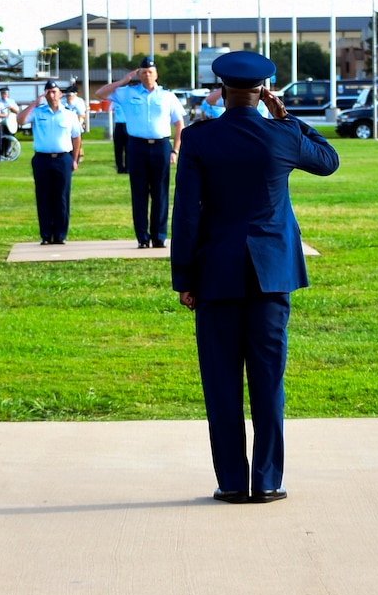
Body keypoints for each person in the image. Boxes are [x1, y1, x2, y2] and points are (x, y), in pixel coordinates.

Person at [171, 51, 339, 505]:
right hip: (271, 274)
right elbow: (328, 160)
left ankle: (230, 481)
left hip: (216, 274)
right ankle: (266, 480)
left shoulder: (200, 139)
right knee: (268, 379)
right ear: (264, 92)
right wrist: (290, 119)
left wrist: (183, 277)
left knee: (221, 381)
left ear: (222, 90)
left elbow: (185, 215)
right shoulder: (280, 136)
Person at [97, 57, 187, 248]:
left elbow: (179, 124)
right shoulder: (127, 93)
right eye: (143, 72)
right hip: (137, 146)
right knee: (139, 193)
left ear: (156, 74)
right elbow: (100, 94)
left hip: (161, 146)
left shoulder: (167, 96)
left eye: (150, 72)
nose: (147, 75)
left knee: (160, 193)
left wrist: (175, 150)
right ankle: (142, 238)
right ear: (138, 74)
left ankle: (159, 236)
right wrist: (123, 81)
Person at [24, 81, 85, 244]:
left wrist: (74, 159)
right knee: (43, 197)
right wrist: (34, 103)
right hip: (42, 158)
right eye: (48, 92)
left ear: (60, 94)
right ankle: (46, 234)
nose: (52, 95)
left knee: (62, 197)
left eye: (54, 92)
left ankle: (60, 235)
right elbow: (20, 120)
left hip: (63, 158)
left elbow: (76, 137)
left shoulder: (69, 114)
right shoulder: (38, 112)